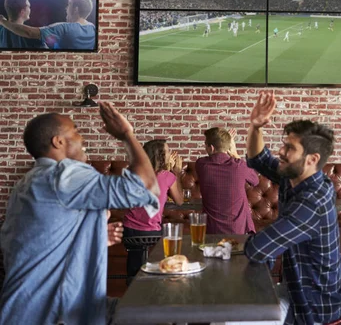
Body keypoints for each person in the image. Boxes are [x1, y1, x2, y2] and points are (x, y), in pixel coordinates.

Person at [0, 102, 160, 325]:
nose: (82, 138)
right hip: (54, 314)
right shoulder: (62, 175)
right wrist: (126, 134)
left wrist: (90, 237)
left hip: (27, 310)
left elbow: (38, 242)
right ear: (58, 141)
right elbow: (145, 186)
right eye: (75, 130)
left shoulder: (26, 184)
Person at [237, 92, 341, 324]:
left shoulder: (313, 201)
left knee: (231, 319)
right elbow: (258, 159)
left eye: (290, 148)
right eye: (284, 145)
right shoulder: (295, 176)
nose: (281, 152)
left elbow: (258, 249)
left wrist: (232, 247)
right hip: (296, 290)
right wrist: (255, 127)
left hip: (312, 306)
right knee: (230, 313)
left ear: (312, 159)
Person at [122, 139, 184, 281]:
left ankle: (132, 283)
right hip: (152, 233)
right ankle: (157, 279)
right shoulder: (168, 176)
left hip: (129, 232)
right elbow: (179, 201)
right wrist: (177, 173)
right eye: (168, 151)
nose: (170, 153)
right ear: (161, 156)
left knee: (135, 257)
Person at [195, 127, 258, 235]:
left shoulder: (201, 165)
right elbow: (255, 181)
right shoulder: (239, 166)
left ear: (211, 147)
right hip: (238, 230)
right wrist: (235, 153)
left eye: (205, 145)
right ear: (229, 146)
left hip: (212, 231)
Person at [0, 0, 96, 50]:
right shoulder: (92, 28)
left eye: (69, 5)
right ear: (22, 11)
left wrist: (3, 21)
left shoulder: (63, 28)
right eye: (29, 6)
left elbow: (29, 32)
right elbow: (80, 10)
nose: (66, 8)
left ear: (75, 9)